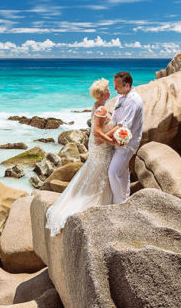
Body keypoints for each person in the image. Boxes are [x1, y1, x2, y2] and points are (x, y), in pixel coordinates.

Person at [45, 78, 120, 236]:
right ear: (102, 93)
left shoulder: (97, 107)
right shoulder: (102, 110)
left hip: (95, 146)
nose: (109, 91)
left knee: (94, 173)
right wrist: (113, 140)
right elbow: (98, 133)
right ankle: (94, 207)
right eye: (107, 89)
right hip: (101, 147)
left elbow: (97, 132)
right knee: (100, 174)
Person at [107, 71, 144, 204]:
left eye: (117, 86)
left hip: (127, 142)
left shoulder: (133, 100)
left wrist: (104, 137)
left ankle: (118, 204)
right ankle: (124, 201)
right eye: (114, 85)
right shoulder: (121, 96)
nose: (114, 88)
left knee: (113, 173)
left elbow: (124, 125)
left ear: (127, 85)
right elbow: (115, 118)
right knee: (122, 173)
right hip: (119, 140)